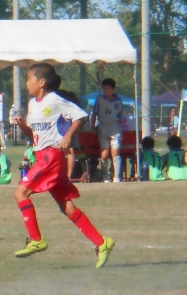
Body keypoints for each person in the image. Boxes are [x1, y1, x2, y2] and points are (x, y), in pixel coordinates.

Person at [12, 63, 115, 269]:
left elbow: (81, 115)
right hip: (42, 155)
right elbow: (34, 136)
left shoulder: (55, 100)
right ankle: (102, 242)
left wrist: (68, 135)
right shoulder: (32, 104)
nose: (26, 83)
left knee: (20, 193)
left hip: (51, 156)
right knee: (66, 206)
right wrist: (23, 125)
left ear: (42, 82)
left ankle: (36, 239)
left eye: (29, 79)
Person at [91, 78, 127, 183]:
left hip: (114, 127)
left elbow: (121, 114)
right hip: (103, 127)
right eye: (104, 88)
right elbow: (94, 113)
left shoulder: (118, 100)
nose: (105, 90)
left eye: (108, 88)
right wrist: (93, 126)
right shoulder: (100, 99)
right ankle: (105, 176)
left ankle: (117, 176)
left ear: (113, 89)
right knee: (104, 153)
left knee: (115, 152)